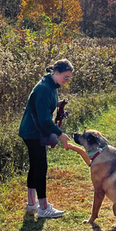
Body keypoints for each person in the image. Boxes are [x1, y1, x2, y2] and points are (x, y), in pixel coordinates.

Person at [18, 59, 74, 218]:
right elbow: (43, 120)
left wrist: (57, 104)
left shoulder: (51, 85)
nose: (66, 80)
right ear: (56, 73)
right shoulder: (44, 88)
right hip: (32, 132)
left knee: (35, 166)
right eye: (65, 76)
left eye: (69, 78)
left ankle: (31, 204)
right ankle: (43, 208)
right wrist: (60, 134)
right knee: (41, 167)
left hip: (32, 131)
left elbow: (42, 106)